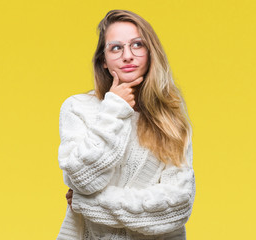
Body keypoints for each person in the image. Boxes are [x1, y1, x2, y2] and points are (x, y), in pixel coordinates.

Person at [56, 10, 195, 240]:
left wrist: (85, 202)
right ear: (103, 60)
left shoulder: (170, 121)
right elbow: (84, 179)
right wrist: (115, 109)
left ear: (151, 54)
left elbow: (177, 207)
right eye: (116, 47)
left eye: (137, 45)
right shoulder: (77, 108)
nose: (127, 55)